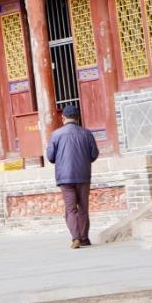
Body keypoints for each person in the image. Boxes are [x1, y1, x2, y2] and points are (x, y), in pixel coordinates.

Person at [44, 103, 99, 248]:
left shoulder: (56, 135)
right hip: (83, 176)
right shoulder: (87, 134)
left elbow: (50, 157)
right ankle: (84, 238)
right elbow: (94, 154)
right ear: (78, 118)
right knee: (83, 208)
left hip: (65, 177)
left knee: (71, 209)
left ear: (63, 118)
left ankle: (76, 238)